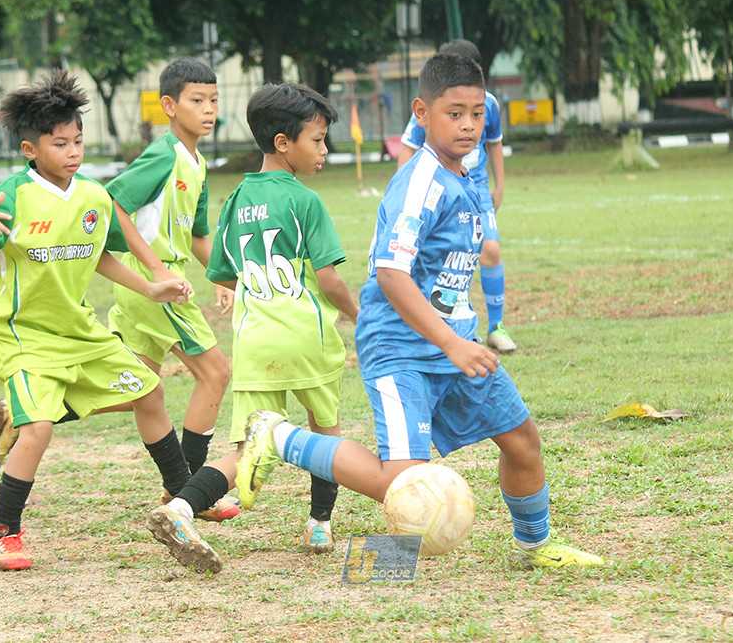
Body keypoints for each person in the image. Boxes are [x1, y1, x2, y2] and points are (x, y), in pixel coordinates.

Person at [150, 54, 604, 572]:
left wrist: (459, 337)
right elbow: (390, 273)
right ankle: (285, 447)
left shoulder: (465, 176)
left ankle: (535, 545)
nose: (468, 125)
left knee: (522, 440)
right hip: (401, 347)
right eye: (455, 113)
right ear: (422, 114)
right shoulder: (419, 181)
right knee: (401, 484)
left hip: (455, 342)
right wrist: (451, 343)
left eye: (477, 114)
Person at [0, 71, 196, 571]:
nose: (73, 151)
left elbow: (99, 254)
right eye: (60, 143)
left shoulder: (92, 195)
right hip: (24, 338)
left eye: (78, 141)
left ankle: (184, 493)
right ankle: (4, 535)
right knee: (38, 430)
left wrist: (150, 286)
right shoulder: (12, 197)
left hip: (81, 331)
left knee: (149, 391)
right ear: (30, 149)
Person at [146, 82, 359, 571]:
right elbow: (329, 279)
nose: (324, 150)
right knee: (325, 433)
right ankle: (320, 523)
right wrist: (359, 313)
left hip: (256, 343)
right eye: (317, 140)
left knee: (248, 452)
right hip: (307, 339)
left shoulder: (238, 198)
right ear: (283, 143)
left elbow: (222, 272)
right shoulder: (305, 200)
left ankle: (180, 508)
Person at [106, 57, 237, 522]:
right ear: (169, 106)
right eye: (196, 100)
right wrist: (156, 268)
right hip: (155, 289)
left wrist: (222, 277)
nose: (208, 109)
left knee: (137, 391)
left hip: (154, 286)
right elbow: (113, 203)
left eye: (214, 100)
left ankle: (24, 415)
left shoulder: (197, 163)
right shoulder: (164, 154)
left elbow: (199, 235)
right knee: (216, 374)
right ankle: (188, 492)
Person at [397, 39, 516, 353]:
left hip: (475, 186)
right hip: (439, 189)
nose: (468, 123)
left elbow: (494, 142)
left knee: (490, 250)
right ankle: (438, 326)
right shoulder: (432, 106)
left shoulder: (489, 104)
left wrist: (500, 186)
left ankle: (496, 327)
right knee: (439, 258)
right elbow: (408, 148)